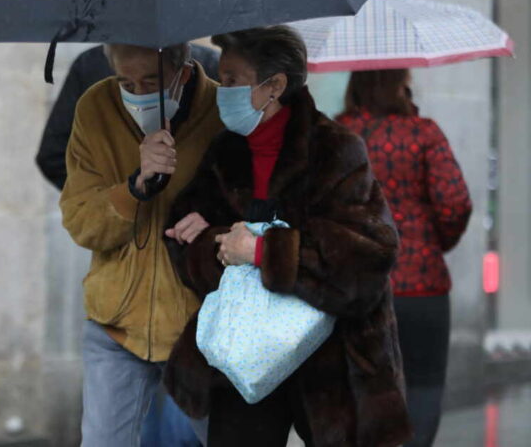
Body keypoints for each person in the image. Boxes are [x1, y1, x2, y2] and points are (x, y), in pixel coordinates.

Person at [163, 26, 410, 447]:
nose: (223, 91)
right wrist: (219, 244)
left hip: (334, 359)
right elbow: (185, 235)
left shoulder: (336, 149)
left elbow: (367, 260)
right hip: (247, 349)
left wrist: (262, 249)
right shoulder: (226, 152)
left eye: (233, 80)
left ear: (273, 86)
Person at [60, 42, 223, 447]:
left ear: (182, 73)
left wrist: (215, 221)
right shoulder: (94, 108)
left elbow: (261, 205)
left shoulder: (224, 109)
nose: (136, 91)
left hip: (203, 325)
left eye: (150, 80)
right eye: (125, 81)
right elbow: (80, 221)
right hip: (117, 323)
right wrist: (133, 188)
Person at [337, 69, 471, 447]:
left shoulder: (339, 134)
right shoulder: (424, 132)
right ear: (400, 83)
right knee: (424, 387)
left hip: (358, 288)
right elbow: (455, 202)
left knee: (361, 392)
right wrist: (431, 243)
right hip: (422, 286)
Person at [36, 44, 219, 190]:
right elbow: (55, 156)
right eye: (128, 86)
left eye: (152, 84)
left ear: (183, 75)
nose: (140, 94)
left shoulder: (212, 69)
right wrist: (126, 194)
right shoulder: (90, 68)